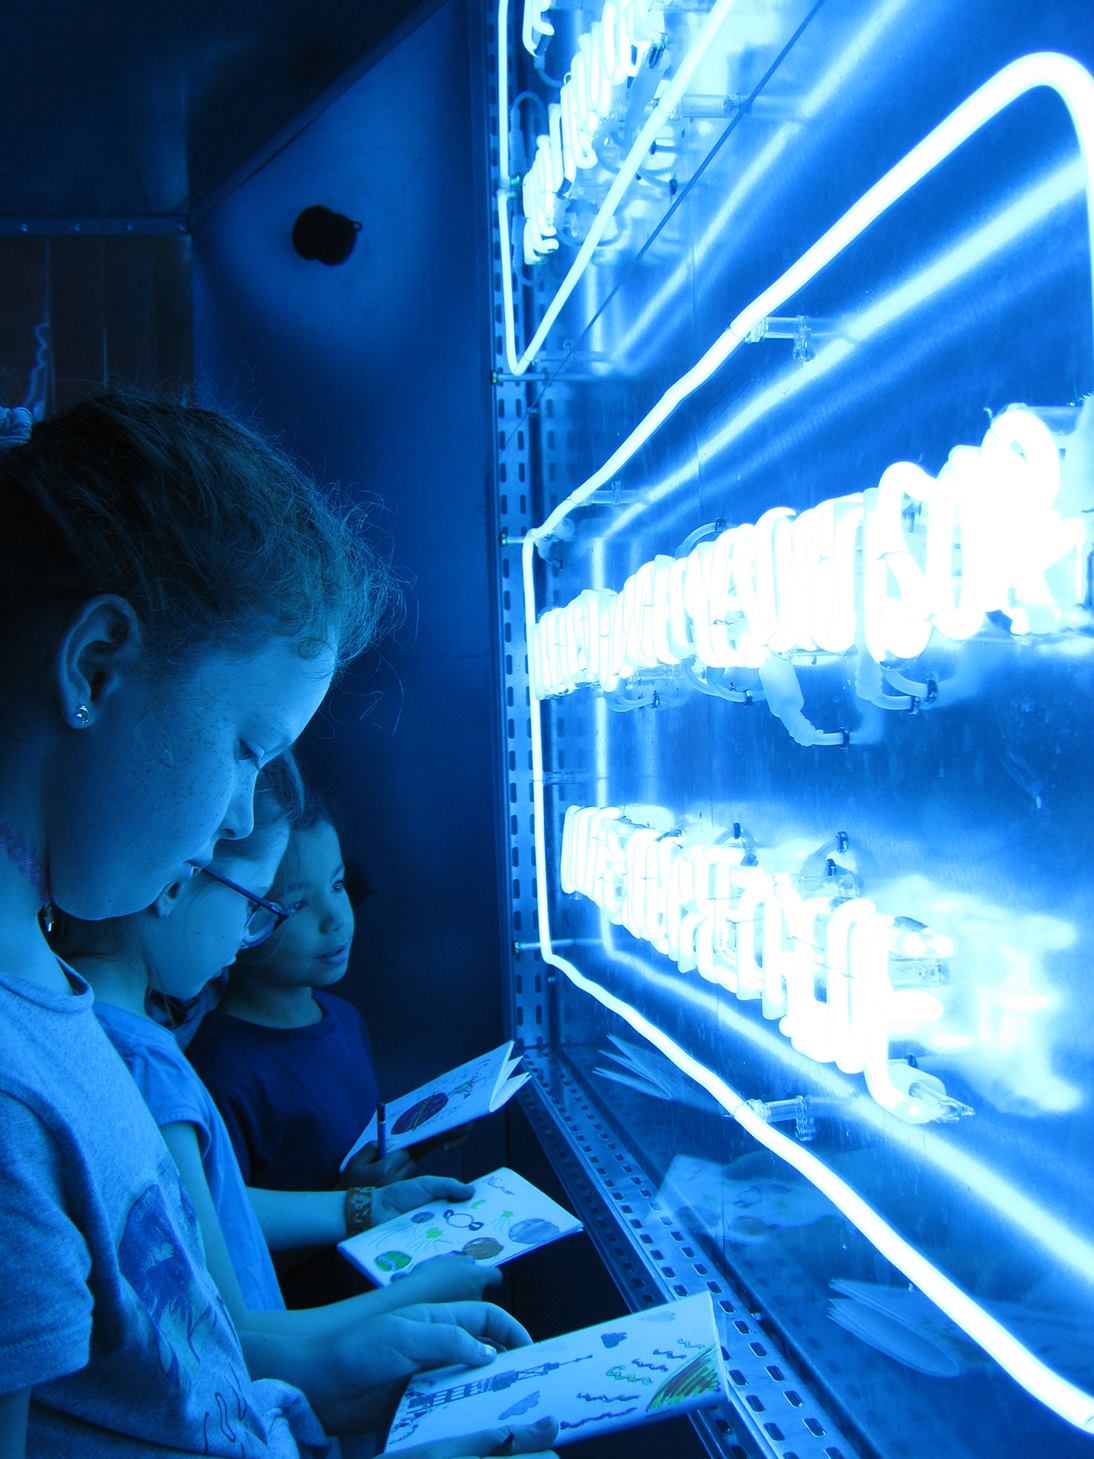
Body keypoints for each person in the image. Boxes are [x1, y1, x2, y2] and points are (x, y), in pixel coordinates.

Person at [0, 392, 557, 1459]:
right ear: (97, 666)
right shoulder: (12, 1094)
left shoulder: (56, 1000)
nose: (240, 816)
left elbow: (166, 1372)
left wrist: (331, 1370)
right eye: (247, 748)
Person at [187, 786, 430, 1304]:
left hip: (378, 1302)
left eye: (338, 884)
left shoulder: (344, 1018)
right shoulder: (220, 1070)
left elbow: (348, 1145)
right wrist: (349, 1203)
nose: (335, 916)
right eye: (296, 904)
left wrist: (426, 1132)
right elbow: (225, 1251)